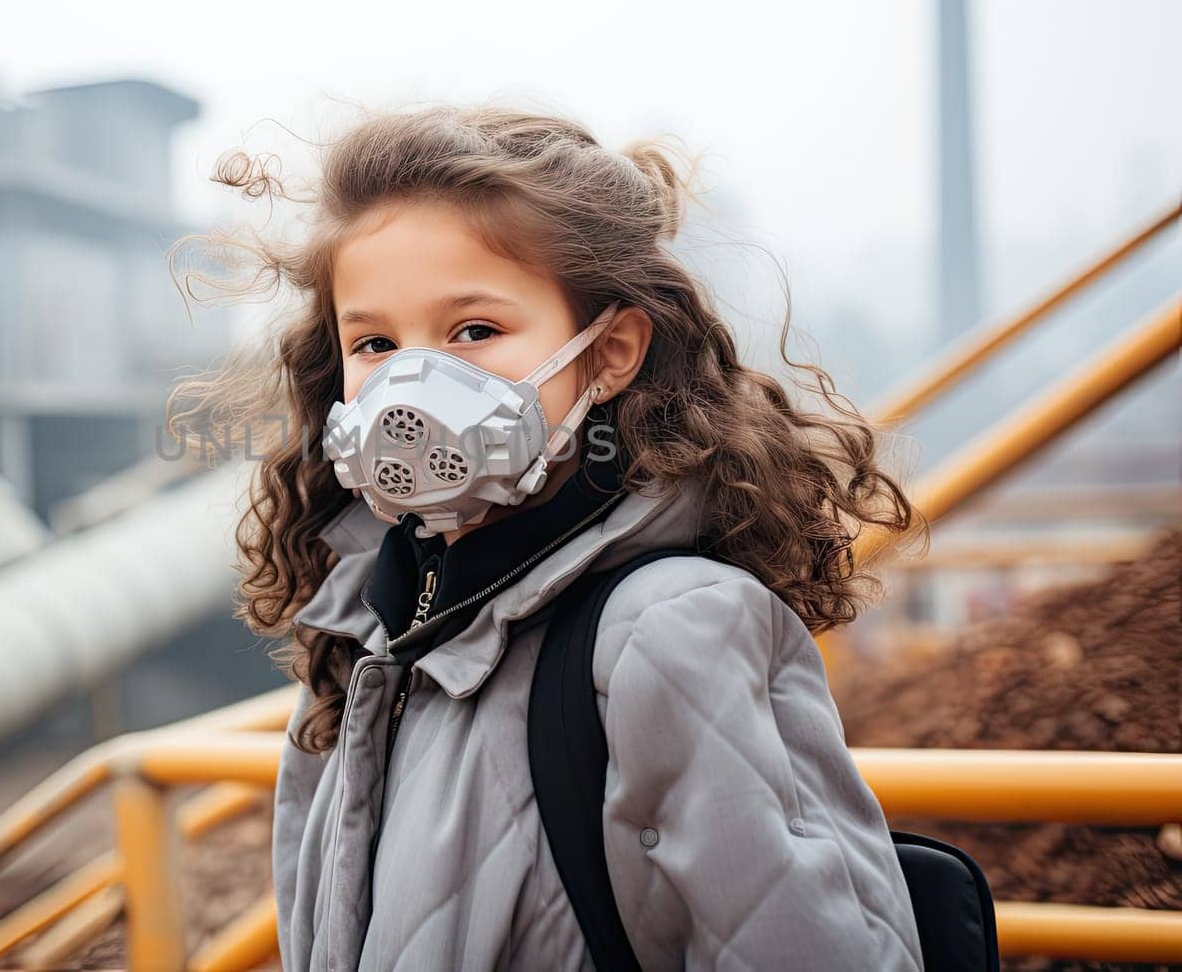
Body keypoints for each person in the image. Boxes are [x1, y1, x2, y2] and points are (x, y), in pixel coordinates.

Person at [166, 104, 928, 970]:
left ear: (610, 352)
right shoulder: (366, 637)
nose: (414, 383)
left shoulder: (667, 632)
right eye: (375, 341)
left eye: (475, 330)